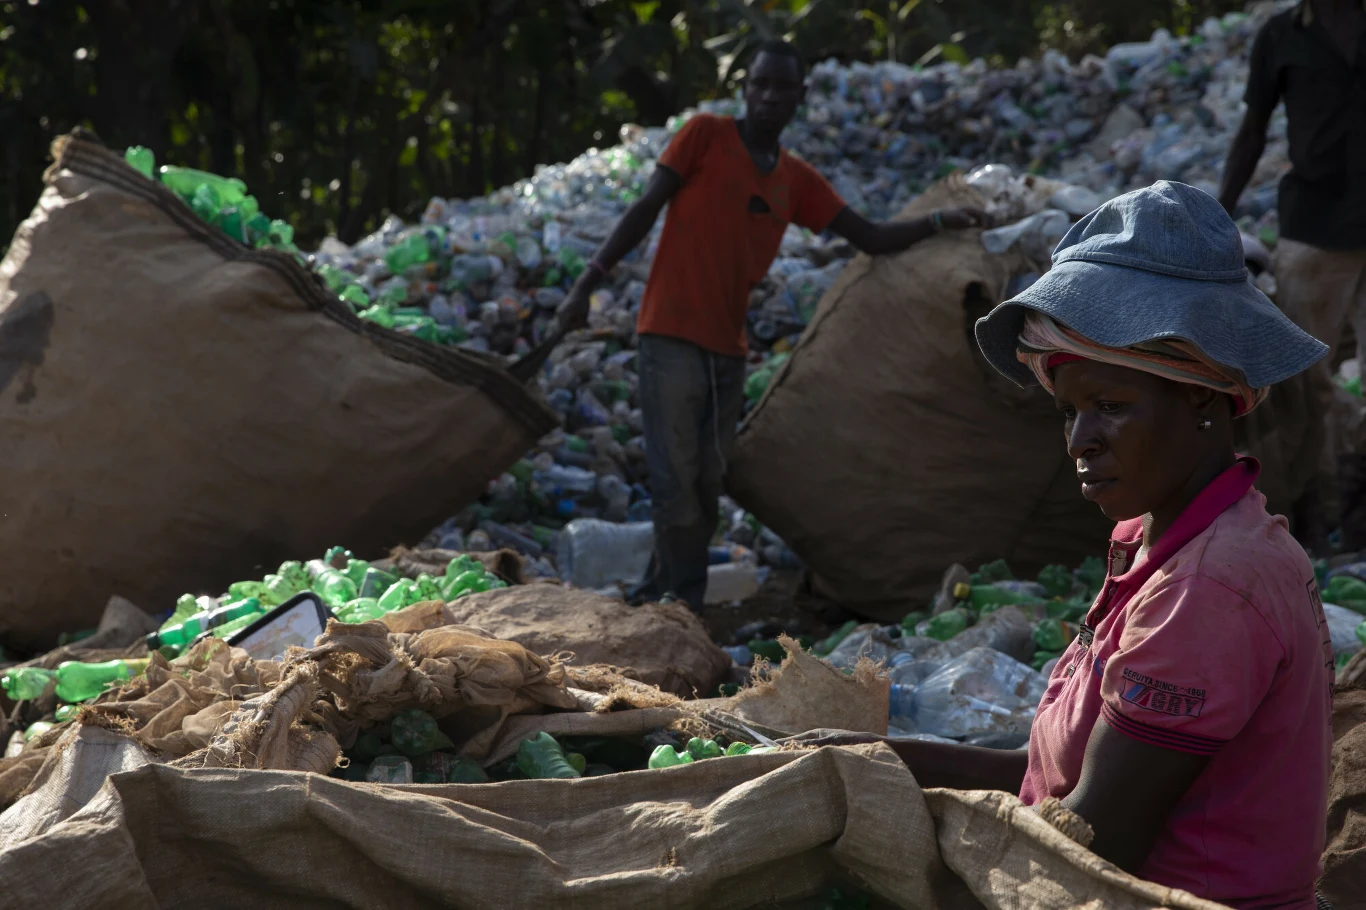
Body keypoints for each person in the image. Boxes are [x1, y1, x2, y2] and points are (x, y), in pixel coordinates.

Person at [806, 182, 1333, 909]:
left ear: (1204, 399)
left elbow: (1085, 846)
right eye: (1070, 412)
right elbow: (1043, 773)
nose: (1081, 441)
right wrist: (865, 757)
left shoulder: (1210, 587)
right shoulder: (1156, 539)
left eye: (1111, 408)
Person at [555, 40, 989, 610]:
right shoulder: (704, 136)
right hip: (668, 336)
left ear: (799, 98)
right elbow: (645, 207)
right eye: (759, 84)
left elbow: (871, 237)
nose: (768, 96)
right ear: (745, 87)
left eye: (781, 88)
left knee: (706, 487)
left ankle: (656, 594)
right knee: (675, 484)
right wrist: (588, 281)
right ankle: (680, 606)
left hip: (726, 352)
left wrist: (940, 219)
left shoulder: (795, 180)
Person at [1218, 0, 1366, 550]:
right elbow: (1252, 130)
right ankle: (1316, 514)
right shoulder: (1281, 37)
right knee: (1307, 382)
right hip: (1314, 228)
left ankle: (1357, 516)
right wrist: (1216, 213)